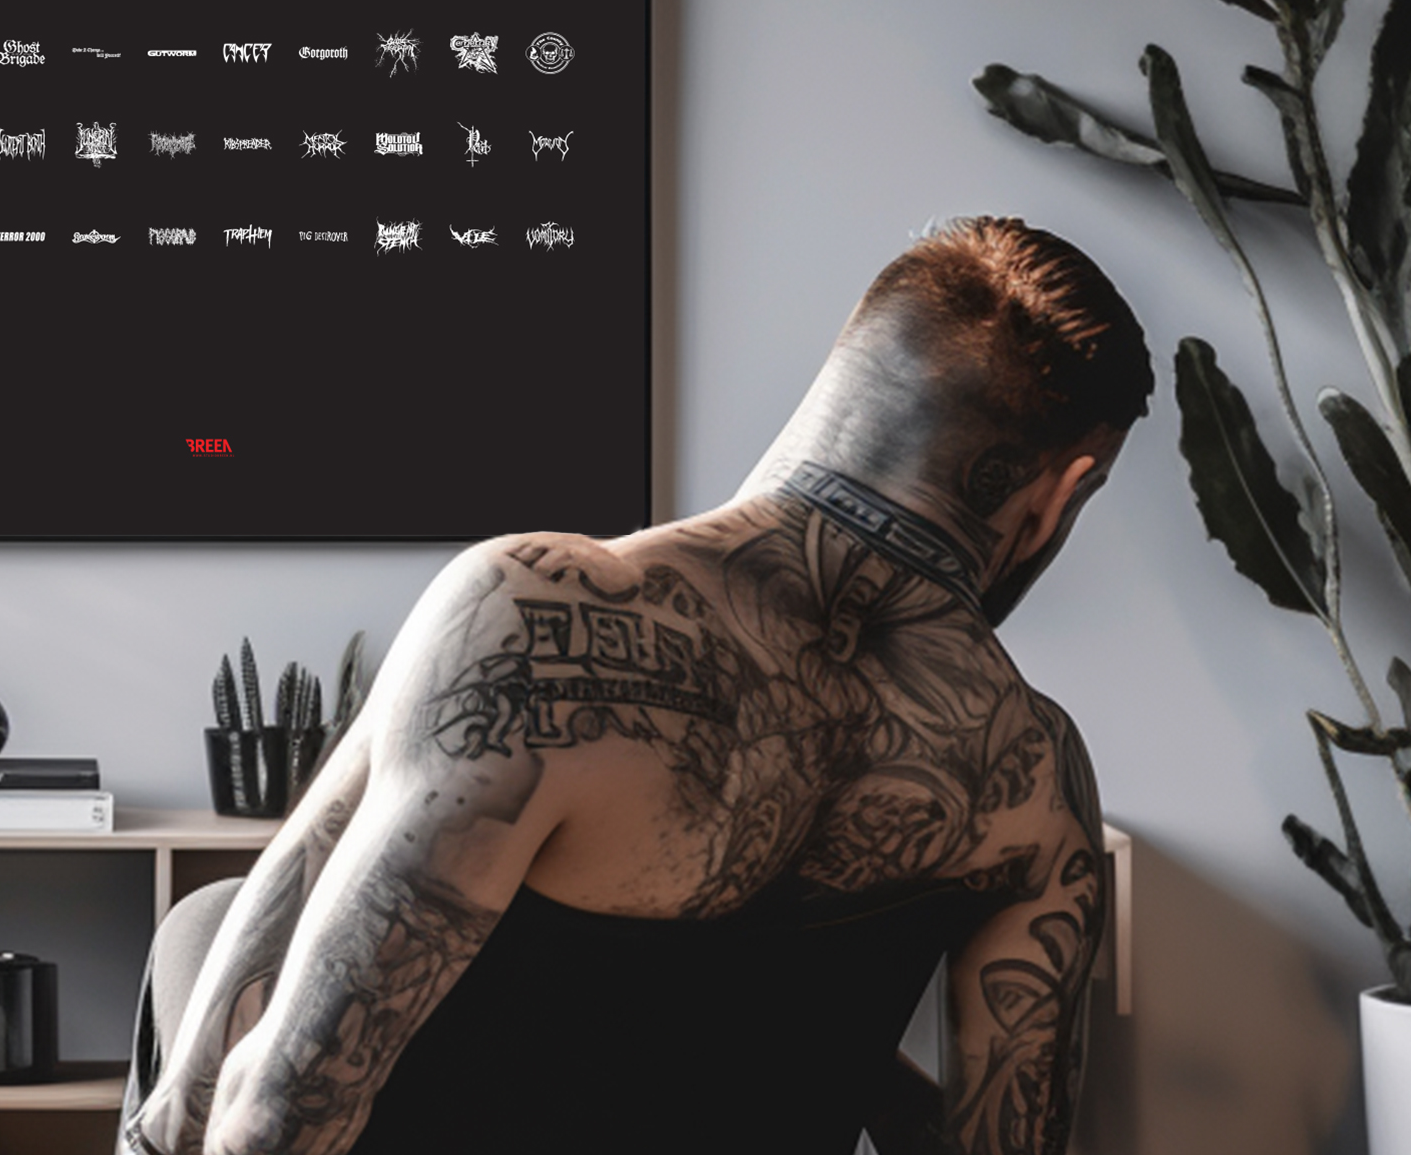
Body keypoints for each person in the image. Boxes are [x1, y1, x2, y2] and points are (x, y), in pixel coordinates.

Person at [122, 217, 1151, 1155]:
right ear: (1060, 494)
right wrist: (826, 1051)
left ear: (838, 385)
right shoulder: (1038, 782)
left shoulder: (533, 611)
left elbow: (277, 1110)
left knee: (206, 927)